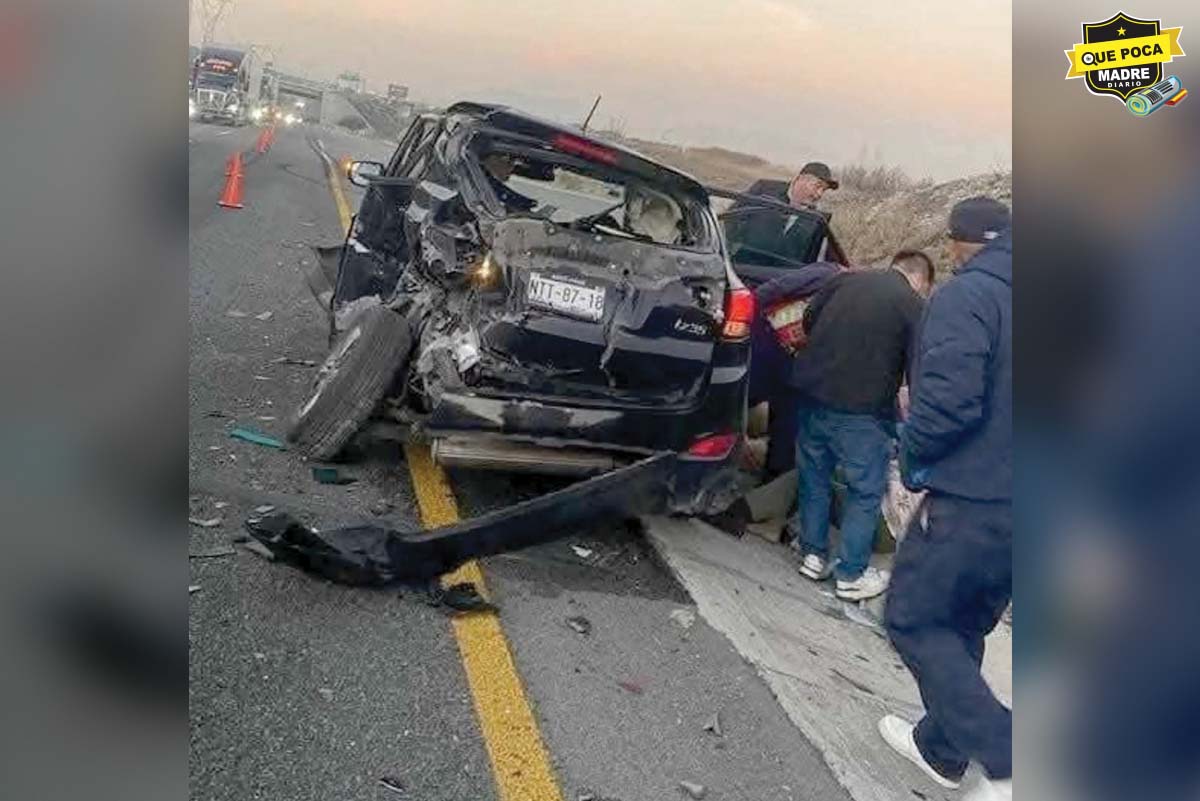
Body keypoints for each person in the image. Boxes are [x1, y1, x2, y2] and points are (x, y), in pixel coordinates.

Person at [879, 197, 1012, 801]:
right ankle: (942, 750)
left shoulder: (970, 295)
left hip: (976, 496)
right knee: (963, 622)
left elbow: (948, 402)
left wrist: (915, 463)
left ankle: (1007, 757)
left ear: (961, 244)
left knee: (915, 618)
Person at [792, 252, 932, 600]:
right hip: (862, 413)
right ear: (922, 281)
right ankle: (850, 573)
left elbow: (809, 319)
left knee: (814, 477)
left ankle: (812, 555)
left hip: (813, 395)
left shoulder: (844, 279)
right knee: (864, 492)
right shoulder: (912, 304)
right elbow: (919, 368)